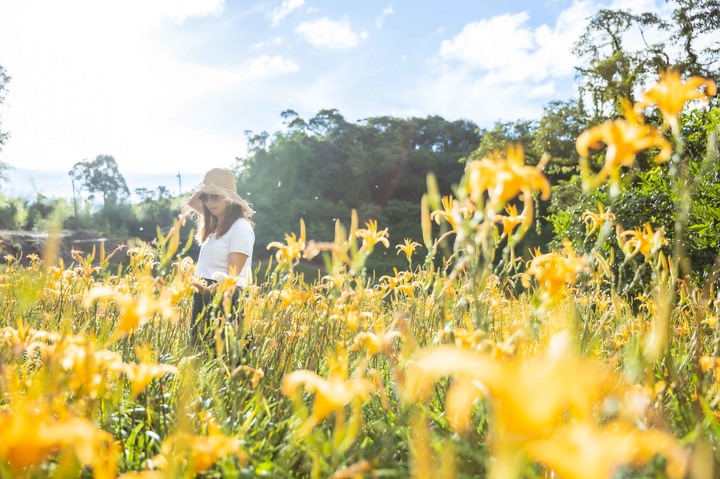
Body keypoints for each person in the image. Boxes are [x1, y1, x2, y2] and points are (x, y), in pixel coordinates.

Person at [183, 168, 255, 351]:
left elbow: (232, 277)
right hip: (205, 293)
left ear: (229, 199)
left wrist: (209, 292)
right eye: (204, 198)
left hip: (224, 297)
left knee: (222, 359)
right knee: (201, 358)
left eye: (214, 196)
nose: (208, 202)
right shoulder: (214, 228)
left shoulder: (240, 228)